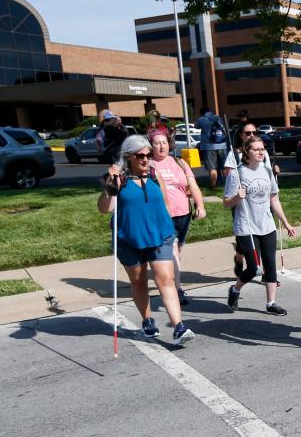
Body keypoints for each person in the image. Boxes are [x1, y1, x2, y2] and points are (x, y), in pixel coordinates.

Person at [97, 135, 195, 346]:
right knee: (139, 282)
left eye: (148, 154)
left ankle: (179, 326)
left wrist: (170, 231)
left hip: (160, 236)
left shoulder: (153, 174)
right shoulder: (119, 180)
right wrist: (109, 184)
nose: (145, 159)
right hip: (129, 239)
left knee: (166, 280)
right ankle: (147, 320)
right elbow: (105, 209)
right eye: (140, 155)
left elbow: (166, 204)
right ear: (129, 157)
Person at [223, 134, 296, 315]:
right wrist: (236, 198)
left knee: (270, 265)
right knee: (254, 268)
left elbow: (274, 199)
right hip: (246, 227)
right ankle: (235, 289)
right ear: (246, 152)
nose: (261, 152)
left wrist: (285, 222)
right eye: (256, 149)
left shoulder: (267, 171)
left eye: (263, 149)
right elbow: (226, 202)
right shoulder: (237, 173)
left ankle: (271, 303)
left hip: (267, 225)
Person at [149, 129, 207, 305]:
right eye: (157, 143)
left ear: (169, 144)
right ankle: (177, 289)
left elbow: (193, 186)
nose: (161, 146)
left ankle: (170, 280)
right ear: (151, 145)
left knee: (177, 252)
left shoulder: (179, 163)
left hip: (184, 215)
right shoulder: (149, 165)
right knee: (173, 253)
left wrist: (200, 205)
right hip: (163, 217)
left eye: (164, 142)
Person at [196, 107, 228, 189]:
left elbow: (196, 126)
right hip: (222, 145)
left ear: (201, 113)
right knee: (224, 166)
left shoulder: (202, 119)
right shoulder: (218, 117)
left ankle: (213, 186)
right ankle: (227, 184)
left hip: (209, 146)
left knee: (212, 168)